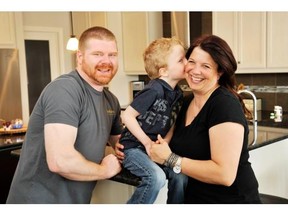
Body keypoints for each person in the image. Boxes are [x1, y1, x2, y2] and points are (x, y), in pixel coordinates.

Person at [6, 26, 123, 204]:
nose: (106, 61)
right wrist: (104, 170)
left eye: (112, 55)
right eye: (98, 54)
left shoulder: (111, 101)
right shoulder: (64, 90)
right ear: (80, 57)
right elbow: (60, 161)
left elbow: (121, 146)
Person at [148, 34, 262, 203]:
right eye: (191, 62)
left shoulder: (224, 104)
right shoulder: (184, 102)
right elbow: (160, 139)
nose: (195, 70)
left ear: (220, 72)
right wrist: (128, 146)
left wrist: (170, 158)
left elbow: (224, 174)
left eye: (206, 66)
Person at [118, 37, 188, 204]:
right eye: (181, 60)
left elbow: (172, 122)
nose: (187, 62)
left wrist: (164, 144)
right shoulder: (154, 89)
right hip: (133, 148)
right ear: (163, 71)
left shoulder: (177, 94)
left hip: (153, 149)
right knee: (156, 178)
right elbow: (127, 116)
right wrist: (147, 143)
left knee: (181, 175)